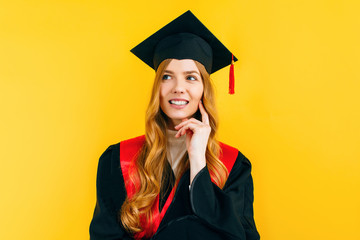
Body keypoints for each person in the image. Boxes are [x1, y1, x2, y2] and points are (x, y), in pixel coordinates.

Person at [89, 10, 260, 240]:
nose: (178, 87)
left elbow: (238, 237)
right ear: (156, 89)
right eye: (167, 76)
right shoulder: (117, 160)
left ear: (204, 91)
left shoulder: (233, 166)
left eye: (191, 77)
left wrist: (199, 160)